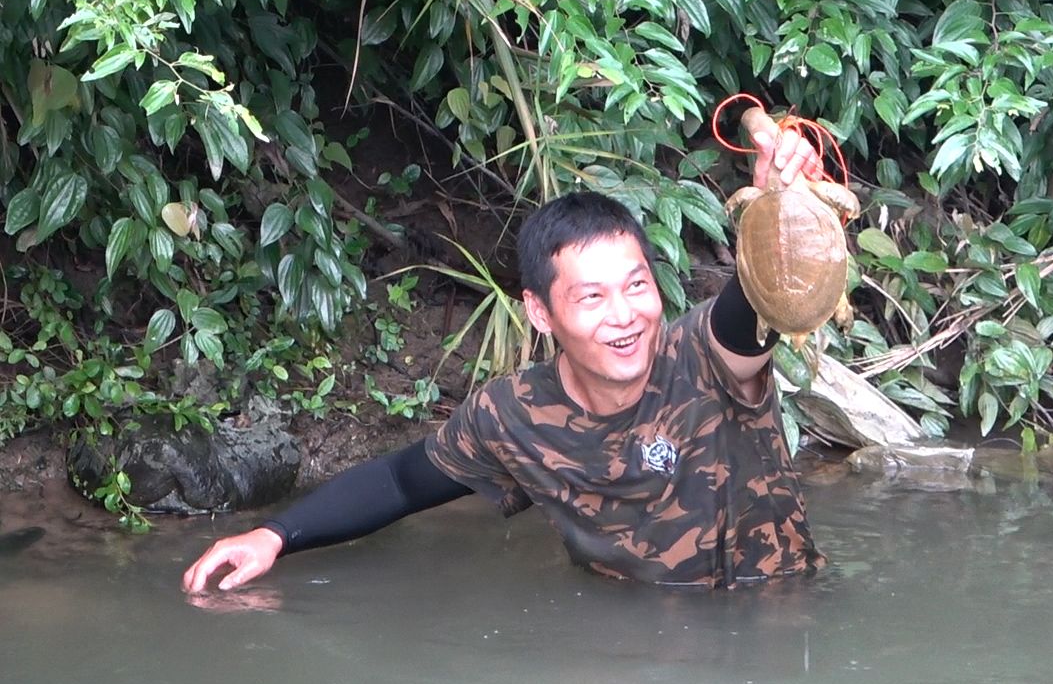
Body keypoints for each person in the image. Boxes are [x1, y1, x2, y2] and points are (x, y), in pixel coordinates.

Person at [182, 116, 829, 593]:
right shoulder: (514, 416)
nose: (626, 314)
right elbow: (403, 482)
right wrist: (274, 535)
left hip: (774, 623)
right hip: (632, 634)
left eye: (637, 285)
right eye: (593, 296)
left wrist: (778, 207)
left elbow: (758, 305)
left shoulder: (702, 356)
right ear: (541, 313)